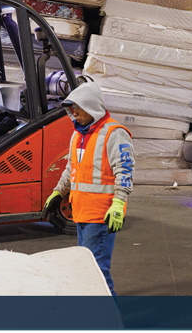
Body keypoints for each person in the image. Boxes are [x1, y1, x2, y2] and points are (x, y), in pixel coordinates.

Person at [43, 77, 135, 296]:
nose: (73, 113)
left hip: (101, 215)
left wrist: (119, 204)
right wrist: (58, 192)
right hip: (81, 213)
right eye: (71, 108)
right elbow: (70, 168)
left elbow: (125, 171)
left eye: (78, 108)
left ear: (92, 107)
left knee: (97, 272)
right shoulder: (78, 134)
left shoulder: (114, 133)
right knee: (87, 268)